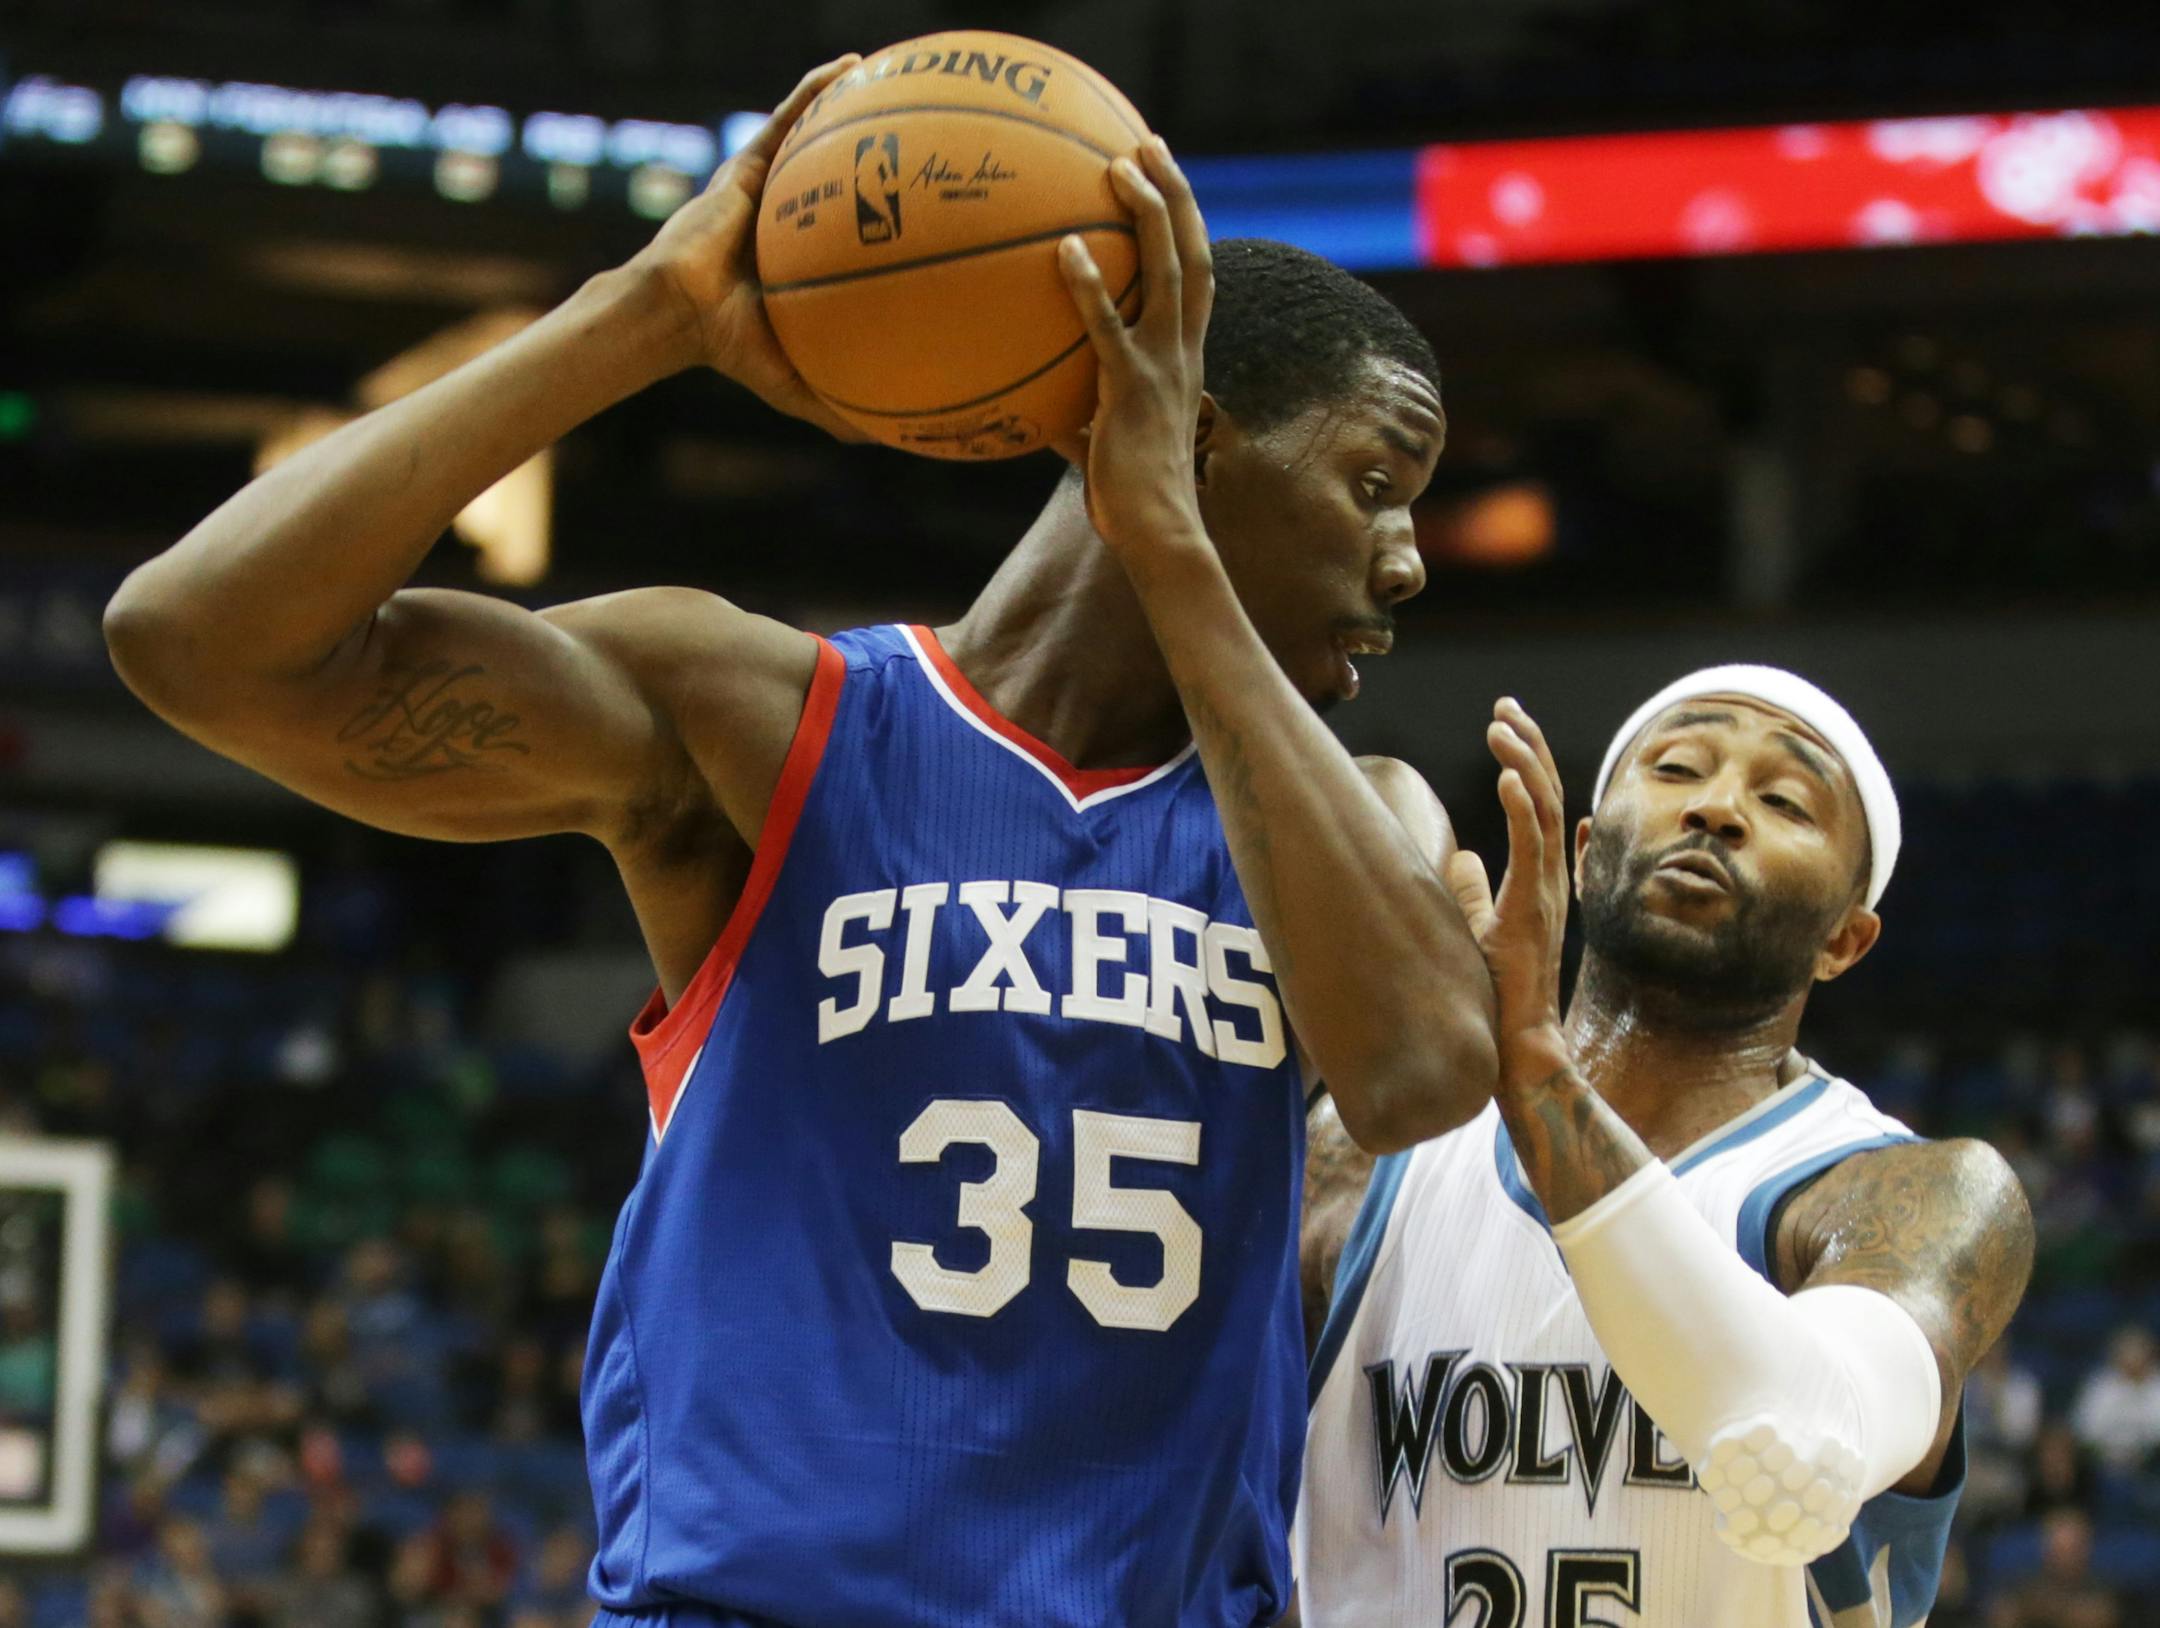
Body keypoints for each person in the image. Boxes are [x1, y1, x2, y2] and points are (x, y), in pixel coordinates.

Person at [104, 53, 1496, 1628]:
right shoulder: (761, 721)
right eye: (1376, 486)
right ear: (1197, 425)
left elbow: (1424, 1073)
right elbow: (196, 640)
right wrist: (639, 317)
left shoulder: (1351, 817)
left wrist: (1166, 544)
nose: (1405, 564)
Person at [1298, 670, 2035, 1626]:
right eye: (1679, 767)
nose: (1719, 808)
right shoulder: (1357, 1156)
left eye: (1784, 802)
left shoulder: (1909, 1192)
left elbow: (1806, 1441)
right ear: (1590, 849)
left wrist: (1538, 1079)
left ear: (1844, 942)